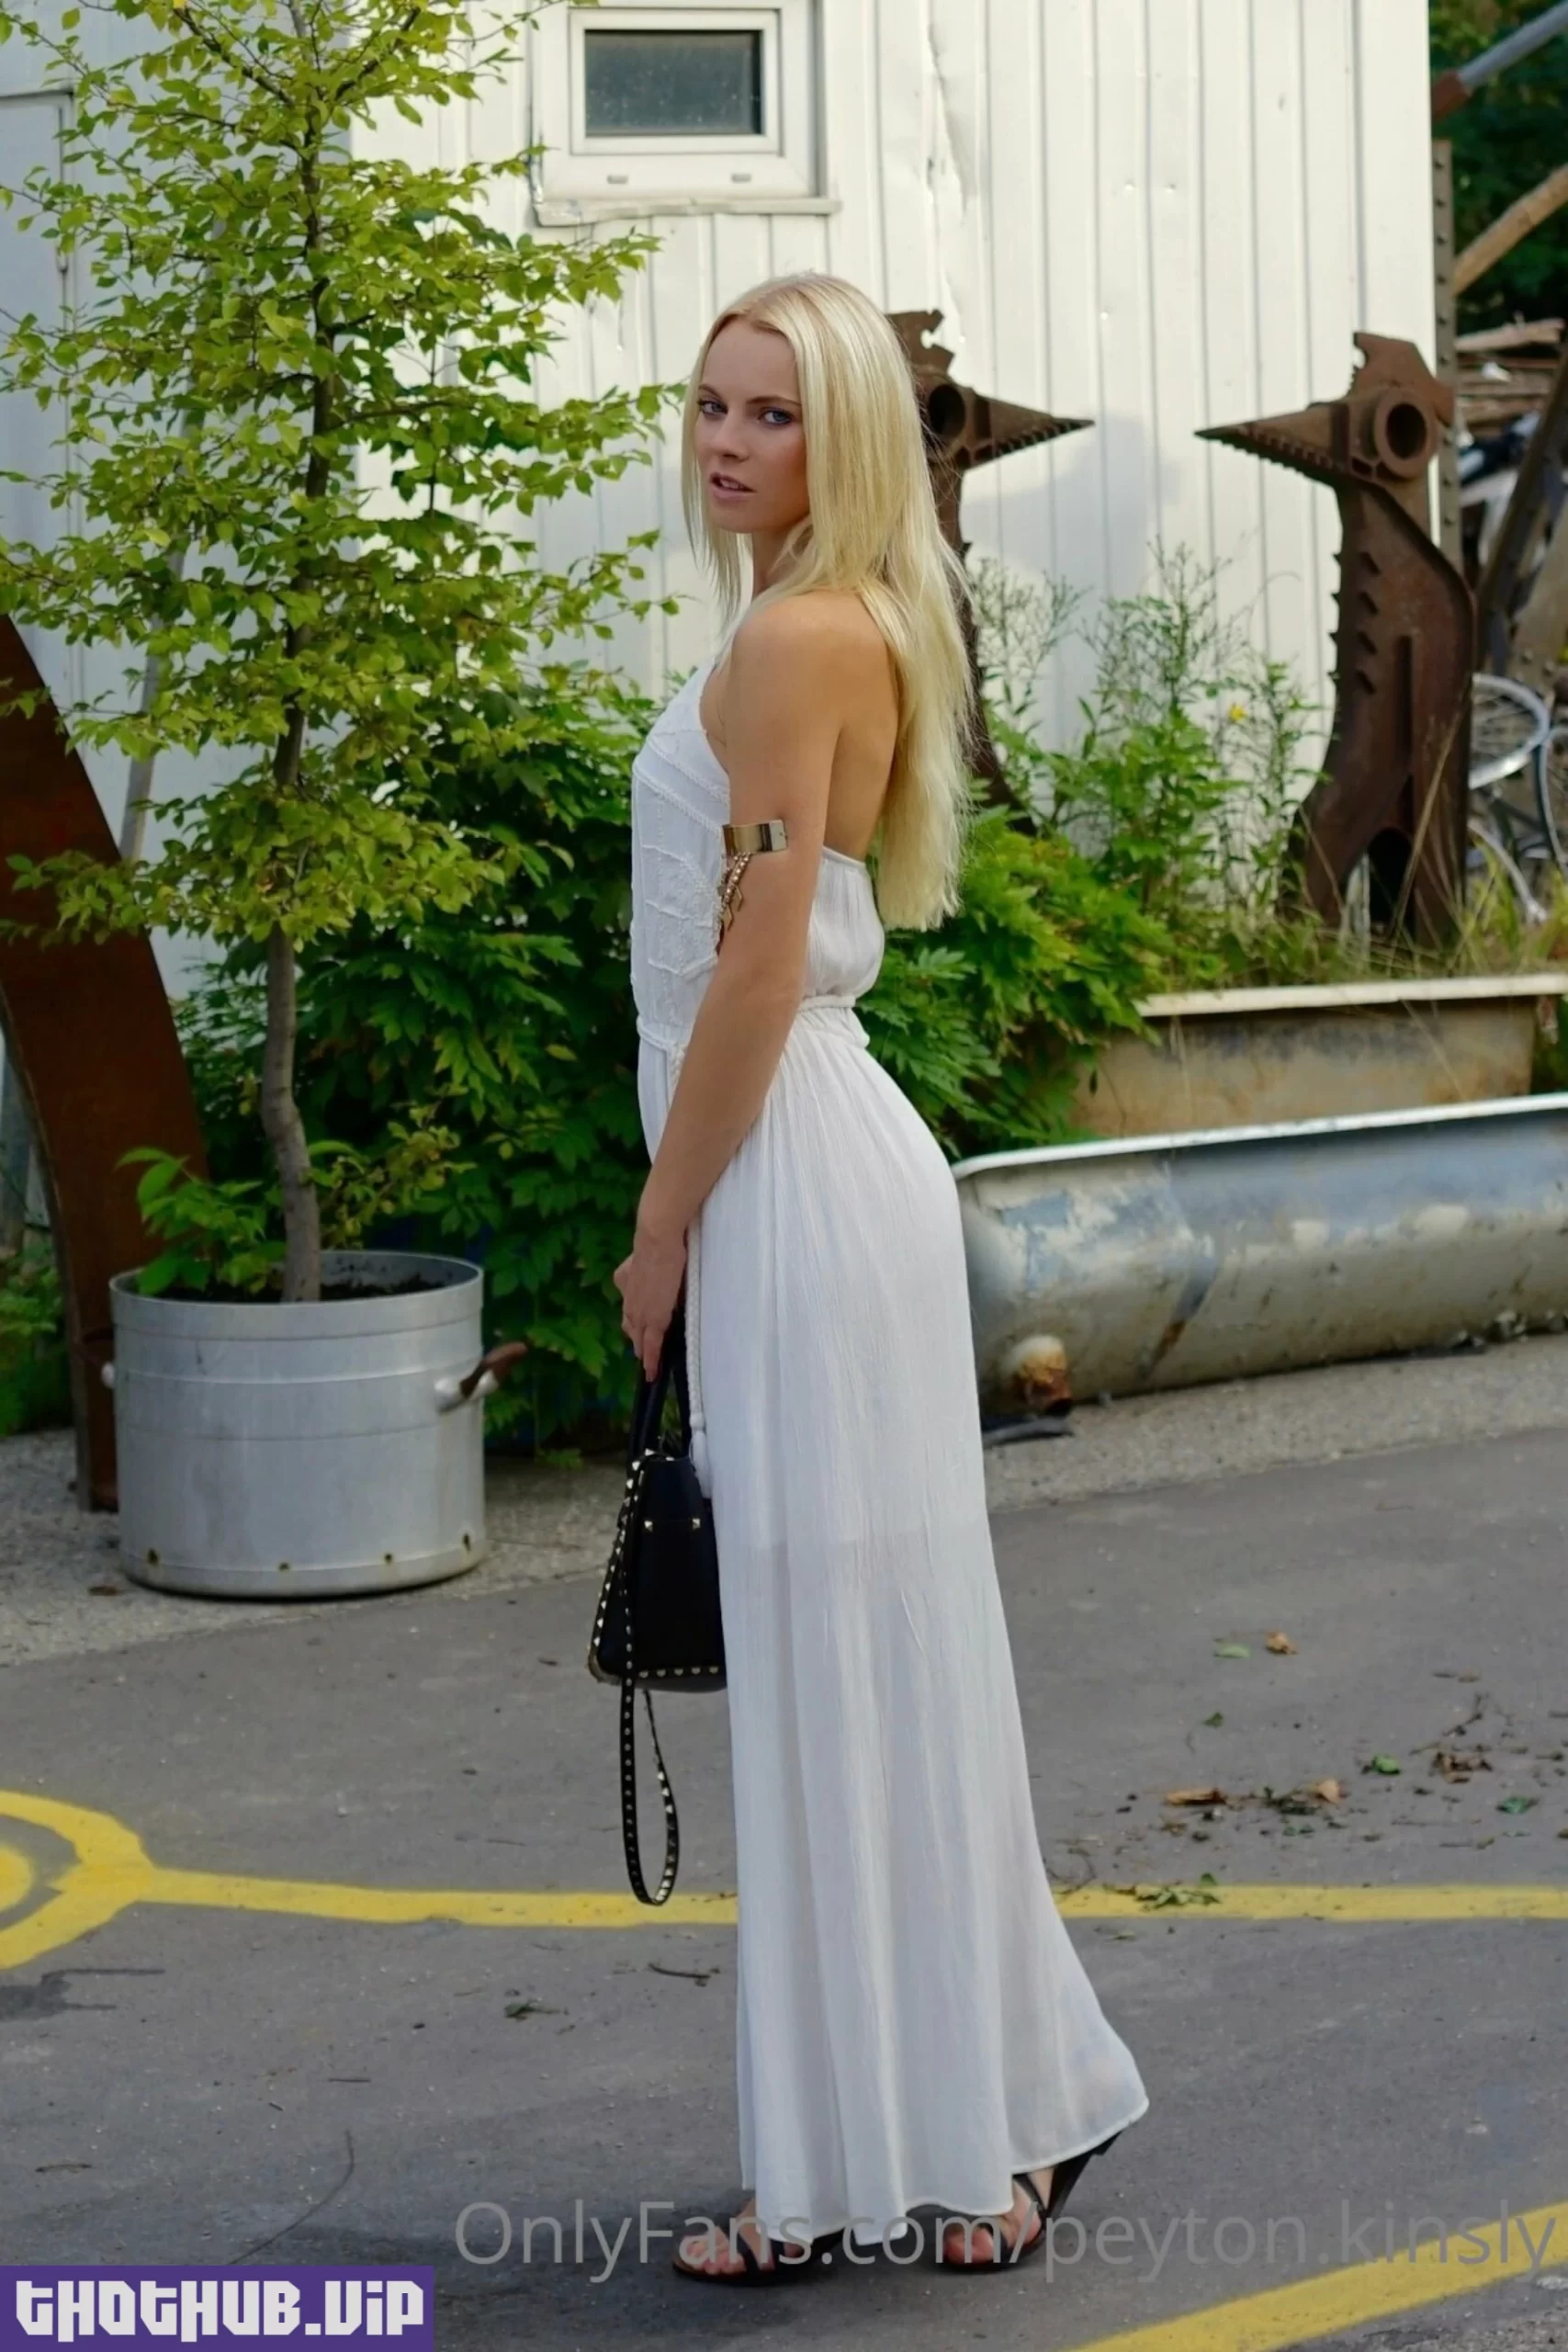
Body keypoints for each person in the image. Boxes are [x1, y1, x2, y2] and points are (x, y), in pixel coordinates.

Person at [613, 271, 1149, 2286]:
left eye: (771, 412)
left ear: (841, 439)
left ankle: (944, 2129)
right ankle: (928, 2128)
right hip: (807, 1176)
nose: (725, 440)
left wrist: (661, 1225)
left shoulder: (795, 637)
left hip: (788, 1186)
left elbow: (756, 970)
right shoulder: (821, 617)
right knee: (863, 1673)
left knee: (860, 1675)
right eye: (709, 403)